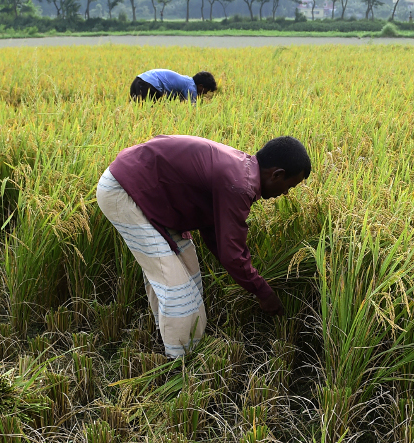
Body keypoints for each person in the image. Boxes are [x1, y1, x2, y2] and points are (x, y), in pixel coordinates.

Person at [96, 135, 310, 358]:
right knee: (174, 283)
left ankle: (188, 344)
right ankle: (178, 362)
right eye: (289, 186)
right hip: (126, 190)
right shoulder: (240, 184)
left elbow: (216, 234)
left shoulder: (242, 172)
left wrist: (255, 286)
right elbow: (232, 254)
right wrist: (263, 292)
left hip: (155, 197)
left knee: (188, 269)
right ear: (277, 174)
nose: (285, 193)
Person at [130, 70, 217, 103]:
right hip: (150, 85)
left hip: (138, 80)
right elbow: (192, 108)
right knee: (148, 112)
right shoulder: (192, 88)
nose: (204, 93)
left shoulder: (186, 81)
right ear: (201, 86)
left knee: (136, 107)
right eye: (206, 90)